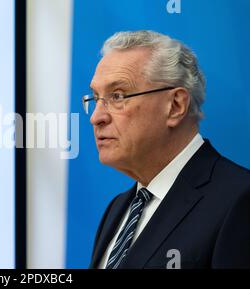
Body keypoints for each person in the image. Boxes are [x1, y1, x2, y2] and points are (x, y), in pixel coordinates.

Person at [83, 30, 250, 269]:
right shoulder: (118, 207)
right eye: (95, 98)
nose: (96, 117)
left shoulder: (239, 199)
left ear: (175, 106)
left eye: (118, 96)